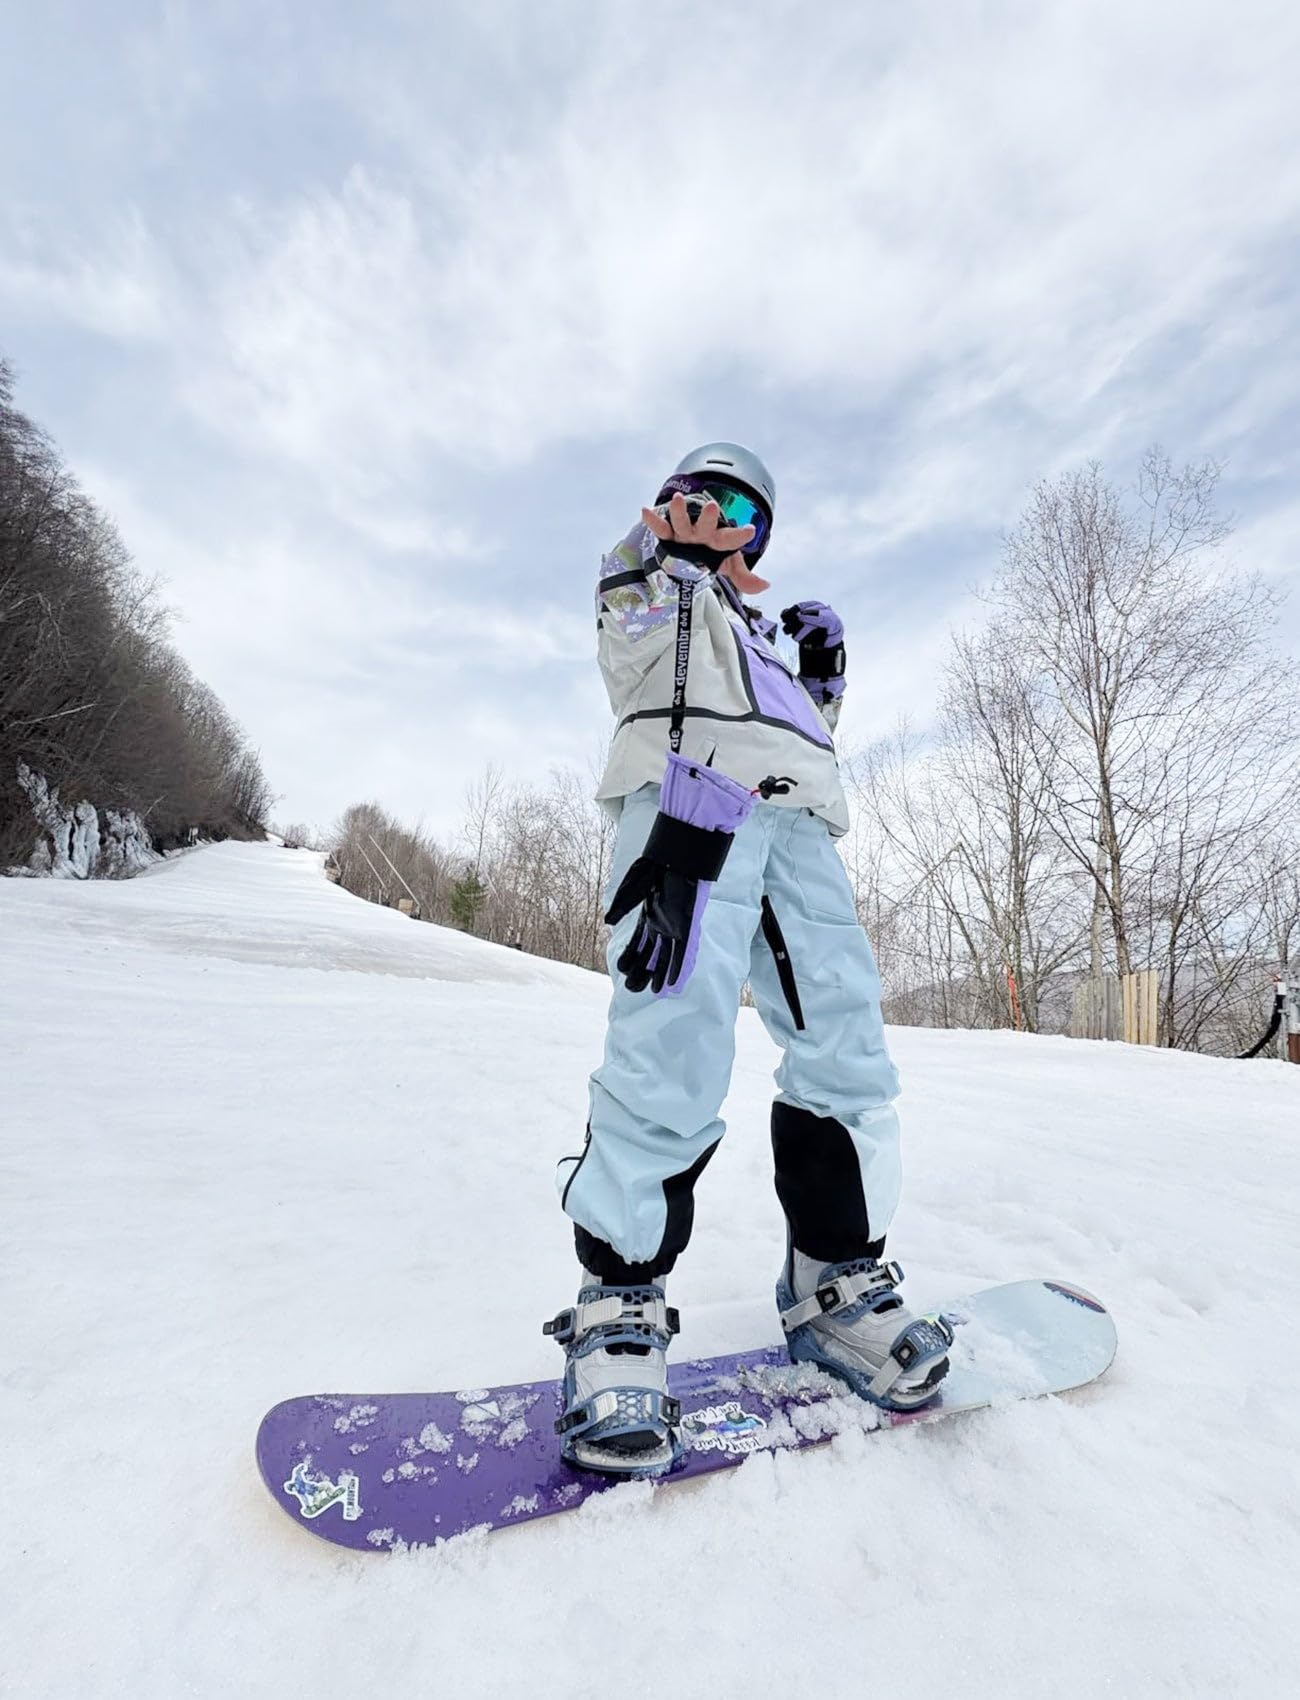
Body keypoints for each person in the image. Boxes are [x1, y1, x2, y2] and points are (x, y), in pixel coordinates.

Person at [544, 443, 952, 1475]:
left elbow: (803, 739)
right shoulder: (646, 583)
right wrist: (668, 561)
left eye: (745, 512)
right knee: (672, 1038)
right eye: (706, 499)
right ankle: (620, 1299)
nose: (723, 520)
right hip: (693, 807)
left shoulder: (758, 634)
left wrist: (820, 686)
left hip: (799, 827)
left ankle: (834, 1282)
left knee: (847, 1043)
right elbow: (631, 640)